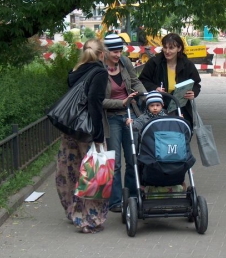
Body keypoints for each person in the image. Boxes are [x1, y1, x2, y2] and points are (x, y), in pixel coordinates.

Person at [55, 39, 109, 234]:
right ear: (102, 54)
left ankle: (73, 212)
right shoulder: (100, 72)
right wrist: (99, 135)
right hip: (87, 131)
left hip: (70, 128)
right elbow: (94, 103)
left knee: (70, 171)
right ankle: (89, 219)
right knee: (92, 173)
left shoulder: (75, 70)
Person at [102, 33, 147, 212]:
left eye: (120, 50)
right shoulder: (99, 68)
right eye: (114, 51)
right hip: (111, 117)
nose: (117, 54)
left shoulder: (125, 62)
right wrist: (120, 102)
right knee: (115, 162)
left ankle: (133, 196)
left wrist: (147, 96)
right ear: (105, 51)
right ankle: (115, 201)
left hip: (130, 114)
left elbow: (135, 82)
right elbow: (98, 100)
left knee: (132, 157)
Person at [138, 32, 201, 129]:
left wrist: (194, 93)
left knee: (180, 137)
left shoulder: (187, 65)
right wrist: (155, 88)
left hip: (181, 110)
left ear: (179, 48)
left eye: (171, 48)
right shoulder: (154, 63)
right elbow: (142, 80)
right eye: (165, 47)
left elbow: (196, 83)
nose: (167, 51)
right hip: (158, 110)